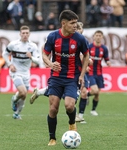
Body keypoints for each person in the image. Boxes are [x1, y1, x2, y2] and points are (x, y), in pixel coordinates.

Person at [43, 10, 89, 146]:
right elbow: (45, 55)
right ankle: (52, 138)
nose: (75, 26)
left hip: (72, 77)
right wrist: (51, 64)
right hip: (56, 78)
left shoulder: (79, 39)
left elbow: (86, 56)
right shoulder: (53, 37)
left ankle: (72, 122)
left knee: (69, 106)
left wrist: (81, 75)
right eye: (72, 23)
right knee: (53, 109)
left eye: (76, 23)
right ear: (63, 23)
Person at [2, 25, 40, 120]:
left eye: (27, 33)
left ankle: (16, 114)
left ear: (29, 34)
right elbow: (4, 54)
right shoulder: (13, 44)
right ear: (20, 34)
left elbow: (38, 61)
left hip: (26, 73)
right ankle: (14, 100)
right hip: (16, 72)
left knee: (24, 95)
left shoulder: (33, 46)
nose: (25, 35)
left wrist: (31, 57)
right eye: (23, 33)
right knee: (22, 91)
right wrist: (10, 64)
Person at [87, 30, 111, 116]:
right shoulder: (89, 47)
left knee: (97, 93)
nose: (98, 37)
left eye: (99, 36)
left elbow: (106, 58)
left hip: (99, 73)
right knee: (95, 90)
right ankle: (86, 94)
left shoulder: (104, 48)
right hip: (90, 73)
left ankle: (93, 110)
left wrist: (108, 62)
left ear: (102, 37)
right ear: (93, 37)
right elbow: (84, 58)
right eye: (96, 35)